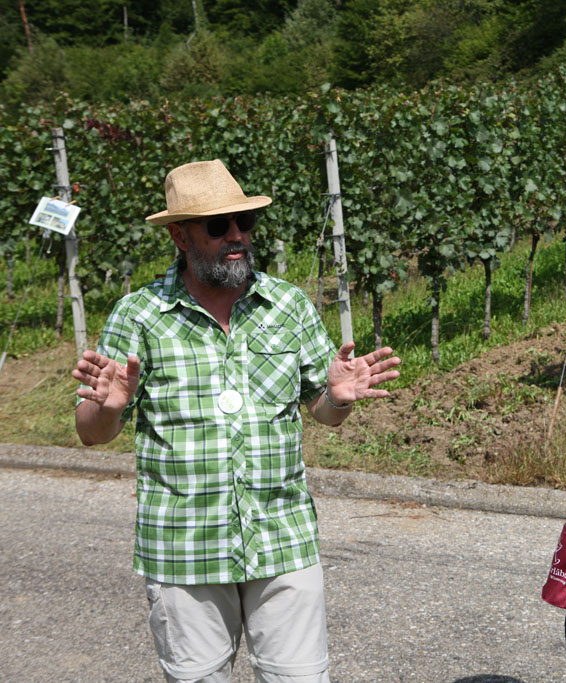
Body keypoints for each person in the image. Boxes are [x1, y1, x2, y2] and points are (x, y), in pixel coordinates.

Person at [72, 159, 401, 682]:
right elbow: (91, 432)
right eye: (217, 225)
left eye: (244, 222)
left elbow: (323, 411)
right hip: (184, 546)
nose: (236, 236)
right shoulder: (139, 315)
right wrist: (109, 408)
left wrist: (338, 399)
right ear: (180, 236)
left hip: (282, 537)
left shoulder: (287, 306)